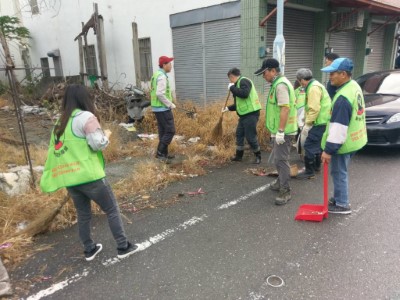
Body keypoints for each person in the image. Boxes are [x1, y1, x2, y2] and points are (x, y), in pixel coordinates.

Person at [40, 84, 140, 261]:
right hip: (90, 176)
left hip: (70, 178)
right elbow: (97, 144)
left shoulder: (60, 121)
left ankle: (89, 249)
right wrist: (106, 137)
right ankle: (123, 246)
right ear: (84, 98)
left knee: (83, 214)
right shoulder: (86, 117)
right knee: (112, 209)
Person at [320, 58, 367, 214]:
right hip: (355, 139)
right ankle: (339, 196)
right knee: (341, 171)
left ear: (343, 74)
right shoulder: (353, 86)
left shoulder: (342, 98)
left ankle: (342, 204)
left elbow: (338, 129)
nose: (330, 76)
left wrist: (328, 150)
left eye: (333, 73)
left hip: (343, 142)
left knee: (339, 172)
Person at [255, 58, 298, 205]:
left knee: (281, 160)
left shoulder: (280, 85)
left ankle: (285, 190)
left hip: (284, 131)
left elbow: (285, 108)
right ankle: (280, 182)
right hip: (281, 130)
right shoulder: (278, 84)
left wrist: (280, 131)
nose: (263, 76)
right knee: (279, 159)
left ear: (273, 71)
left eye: (265, 72)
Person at [295, 68, 331, 180]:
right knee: (317, 145)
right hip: (324, 120)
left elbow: (314, 108)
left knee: (309, 145)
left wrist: (308, 123)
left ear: (301, 80)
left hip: (319, 121)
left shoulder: (313, 88)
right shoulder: (316, 85)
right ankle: (316, 167)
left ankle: (309, 171)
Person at [222, 67, 262, 164]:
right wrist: (227, 108)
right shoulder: (237, 85)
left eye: (230, 79)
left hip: (251, 114)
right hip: (244, 115)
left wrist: (232, 88)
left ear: (231, 77)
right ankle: (239, 156)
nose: (230, 82)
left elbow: (244, 94)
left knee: (250, 136)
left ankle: (258, 156)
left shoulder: (243, 81)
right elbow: (238, 104)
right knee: (239, 134)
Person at [150, 56, 176, 162]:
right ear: (164, 65)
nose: (171, 66)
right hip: (163, 108)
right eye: (169, 64)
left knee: (163, 131)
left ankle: (164, 154)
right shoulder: (162, 77)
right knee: (170, 131)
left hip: (157, 108)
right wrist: (170, 104)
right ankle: (160, 153)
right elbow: (160, 94)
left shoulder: (156, 74)